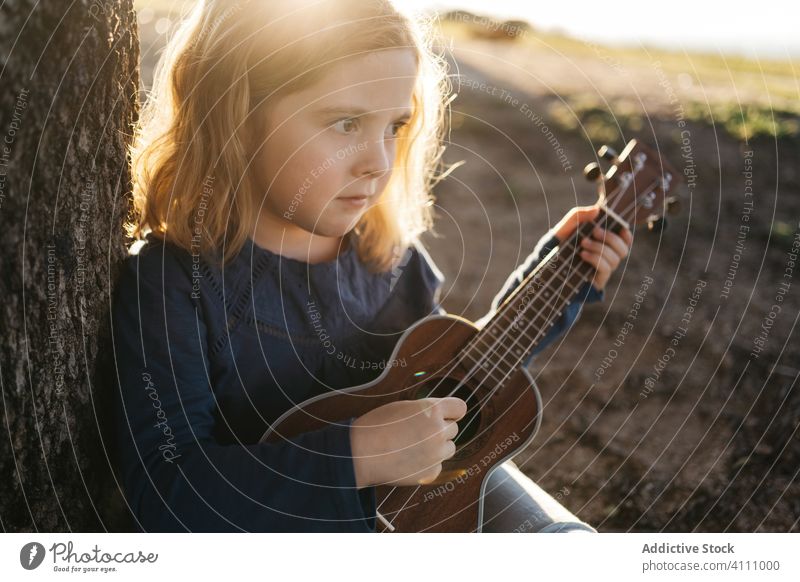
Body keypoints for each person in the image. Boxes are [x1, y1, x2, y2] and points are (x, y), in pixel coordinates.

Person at [111, 0, 632, 533]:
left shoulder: (389, 262)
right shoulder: (172, 285)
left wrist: (556, 278)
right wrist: (356, 455)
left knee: (567, 545)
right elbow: (167, 490)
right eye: (346, 122)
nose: (379, 161)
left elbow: (455, 377)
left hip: (423, 502)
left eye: (395, 125)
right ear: (238, 115)